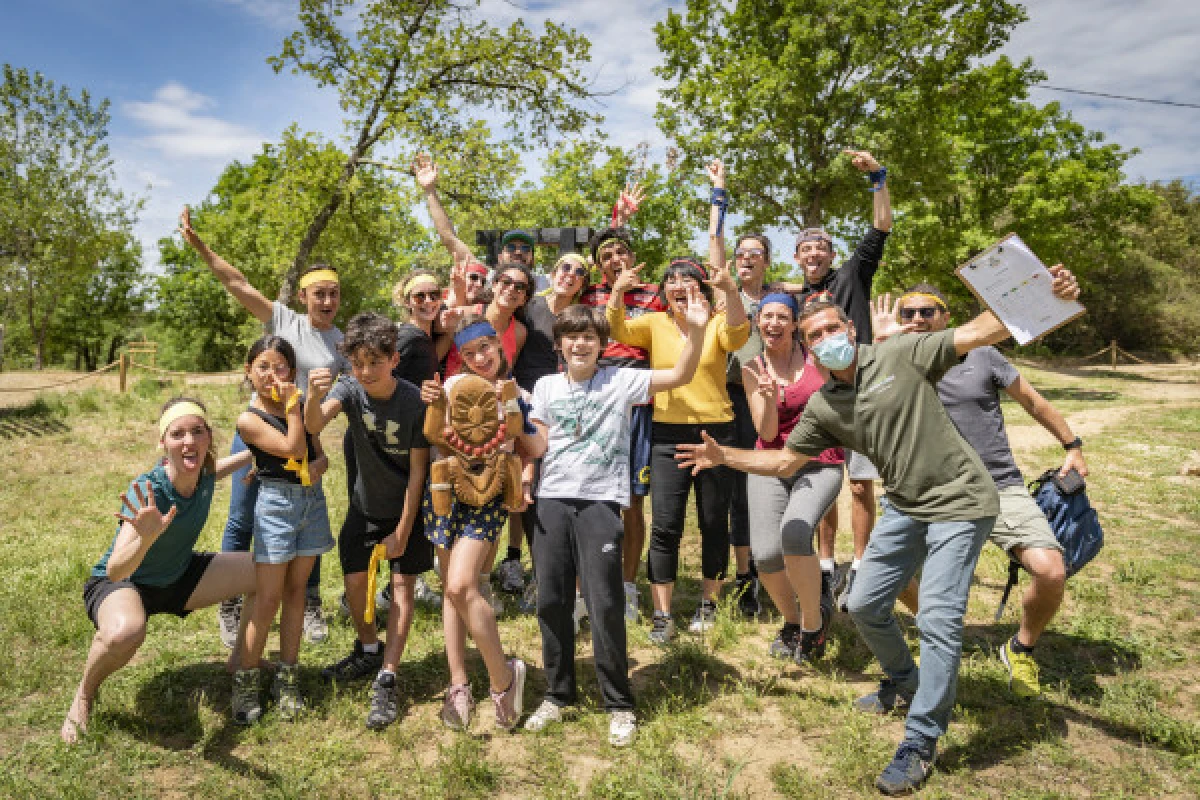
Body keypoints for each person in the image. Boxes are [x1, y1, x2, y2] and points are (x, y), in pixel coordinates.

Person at [677, 298, 1054, 795]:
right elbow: (786, 462)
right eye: (816, 335)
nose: (827, 338)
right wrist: (724, 454)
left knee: (938, 617)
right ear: (807, 348)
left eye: (832, 327)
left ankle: (921, 739)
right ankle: (903, 680)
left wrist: (1042, 293)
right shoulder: (825, 405)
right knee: (864, 603)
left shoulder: (902, 354)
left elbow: (982, 330)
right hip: (905, 504)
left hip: (962, 500)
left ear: (850, 329)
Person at [878, 279, 1085, 698]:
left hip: (997, 485)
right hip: (925, 490)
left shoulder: (983, 354)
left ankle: (1021, 647)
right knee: (892, 577)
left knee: (1050, 571)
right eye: (908, 313)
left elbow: (1033, 401)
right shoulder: (894, 358)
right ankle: (937, 629)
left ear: (946, 317)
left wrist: (1072, 445)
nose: (917, 320)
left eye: (927, 312)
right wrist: (885, 346)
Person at [522, 297, 709, 745]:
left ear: (602, 343)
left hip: (601, 503)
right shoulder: (545, 387)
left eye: (589, 336)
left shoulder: (622, 381)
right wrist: (515, 424)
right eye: (571, 337)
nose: (580, 344)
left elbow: (681, 374)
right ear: (559, 344)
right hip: (551, 502)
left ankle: (618, 703)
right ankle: (558, 693)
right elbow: (537, 446)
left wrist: (697, 331)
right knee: (551, 599)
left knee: (605, 603)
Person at [179, 207, 343, 645]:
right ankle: (231, 600)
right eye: (319, 294)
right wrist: (203, 250)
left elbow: (341, 396)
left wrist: (317, 439)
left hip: (301, 438)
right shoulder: (283, 320)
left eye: (334, 294)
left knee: (309, 516)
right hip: (260, 429)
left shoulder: (341, 343)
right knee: (243, 515)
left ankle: (309, 603)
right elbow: (239, 285)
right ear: (306, 296)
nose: (327, 301)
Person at [605, 159, 750, 643]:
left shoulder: (713, 322)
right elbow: (619, 329)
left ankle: (708, 602)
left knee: (713, 524)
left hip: (716, 432)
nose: (680, 284)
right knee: (664, 525)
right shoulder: (653, 323)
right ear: (664, 290)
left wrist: (727, 292)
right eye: (672, 279)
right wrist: (618, 294)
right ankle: (662, 612)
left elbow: (738, 333)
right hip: (666, 434)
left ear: (701, 284)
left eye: (689, 277)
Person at [62, 398, 255, 744]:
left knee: (264, 570)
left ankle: (241, 660)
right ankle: (84, 696)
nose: (189, 441)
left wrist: (254, 455)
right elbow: (117, 569)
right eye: (178, 434)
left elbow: (218, 469)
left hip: (178, 576)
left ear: (209, 437)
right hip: (124, 584)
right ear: (163, 443)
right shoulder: (147, 490)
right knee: (125, 633)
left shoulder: (204, 473)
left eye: (197, 432)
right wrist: (146, 538)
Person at [304, 313, 432, 731]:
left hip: (406, 511)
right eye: (357, 363)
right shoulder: (350, 388)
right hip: (364, 507)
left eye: (374, 362)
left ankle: (388, 675)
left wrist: (402, 531)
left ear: (394, 359)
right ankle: (368, 647)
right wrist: (311, 396)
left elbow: (418, 472)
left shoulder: (413, 401)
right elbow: (315, 423)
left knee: (401, 589)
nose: (365, 371)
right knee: (355, 584)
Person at [419, 317, 546, 731]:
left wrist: (517, 419)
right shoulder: (451, 387)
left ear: (500, 347)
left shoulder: (518, 394)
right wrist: (433, 401)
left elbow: (534, 444)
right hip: (443, 493)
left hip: (486, 497)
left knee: (461, 585)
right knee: (451, 592)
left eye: (486, 349)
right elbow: (434, 434)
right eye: (470, 354)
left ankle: (502, 679)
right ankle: (458, 683)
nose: (480, 359)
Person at [784, 151, 892, 610]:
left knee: (861, 483)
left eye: (820, 248)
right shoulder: (791, 297)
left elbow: (881, 226)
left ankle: (863, 564)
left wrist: (877, 178)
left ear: (830, 254)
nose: (813, 254)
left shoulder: (851, 274)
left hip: (861, 390)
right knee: (824, 478)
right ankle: (826, 564)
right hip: (819, 398)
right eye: (805, 249)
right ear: (797, 257)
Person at [232, 336, 334, 724]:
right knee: (268, 598)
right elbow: (293, 446)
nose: (272, 375)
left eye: (280, 367)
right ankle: (247, 678)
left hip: (311, 503)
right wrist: (296, 406)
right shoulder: (249, 419)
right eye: (263, 367)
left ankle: (288, 676)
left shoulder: (301, 406)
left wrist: (316, 468)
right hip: (275, 506)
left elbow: (317, 452)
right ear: (249, 371)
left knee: (297, 592)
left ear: (291, 370)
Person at [740, 293, 844, 663]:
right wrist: (767, 399)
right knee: (766, 554)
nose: (774, 323)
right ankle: (793, 621)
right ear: (757, 321)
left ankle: (815, 624)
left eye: (783, 316)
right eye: (767, 316)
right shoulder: (752, 367)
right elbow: (766, 433)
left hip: (821, 462)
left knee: (796, 533)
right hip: (772, 461)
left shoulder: (819, 358)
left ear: (796, 323)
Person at [580, 219, 663, 622]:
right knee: (589, 495)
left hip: (638, 396)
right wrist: (618, 217)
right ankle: (587, 588)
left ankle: (628, 588)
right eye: (605, 256)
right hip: (594, 394)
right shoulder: (588, 292)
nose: (615, 259)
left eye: (620, 252)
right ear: (597, 266)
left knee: (632, 500)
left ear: (633, 256)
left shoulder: (656, 294)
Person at [500, 252, 591, 598]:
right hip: (528, 405)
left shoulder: (577, 317)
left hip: (567, 406)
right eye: (565, 267)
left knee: (557, 484)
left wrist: (621, 222)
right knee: (526, 486)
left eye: (579, 272)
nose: (571, 274)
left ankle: (561, 575)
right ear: (552, 273)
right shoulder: (530, 306)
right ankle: (530, 571)